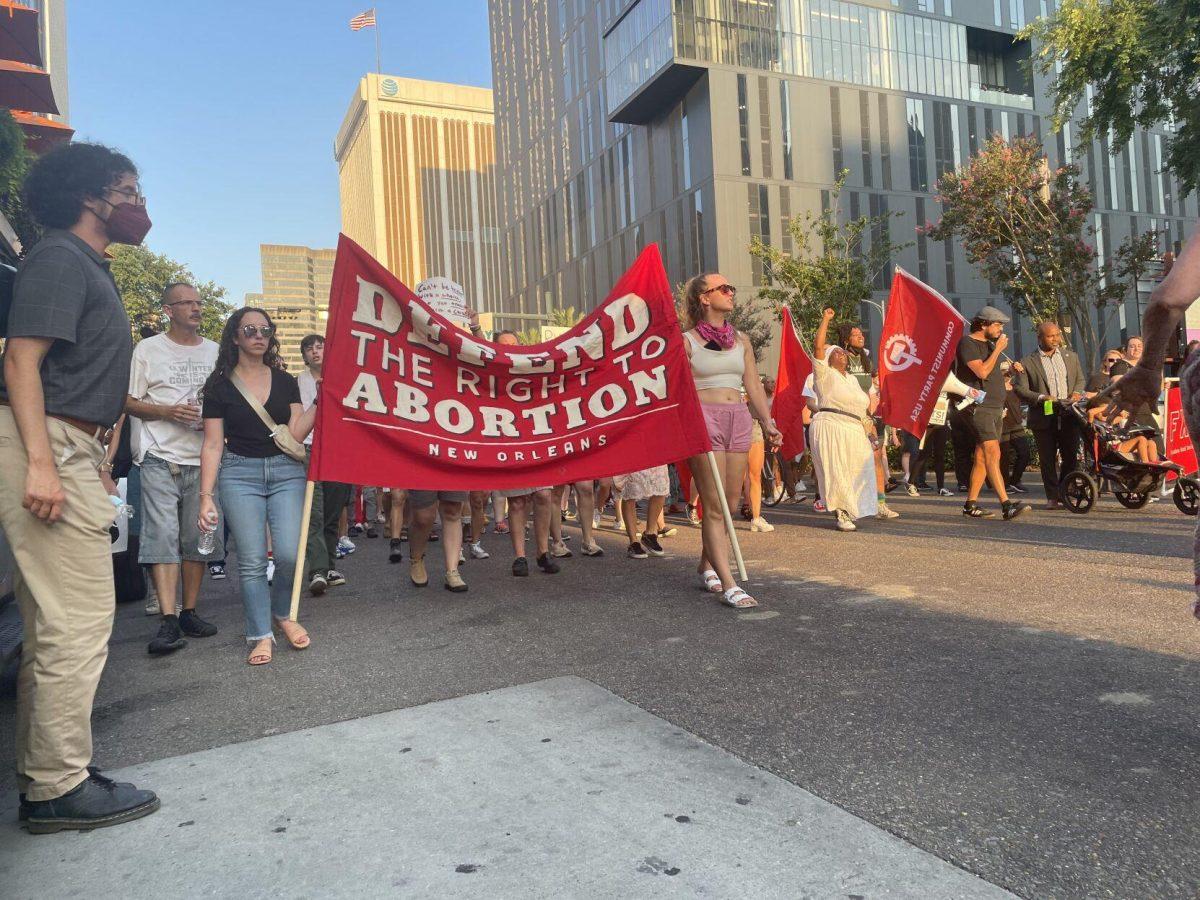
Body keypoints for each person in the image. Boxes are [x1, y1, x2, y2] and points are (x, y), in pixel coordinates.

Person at [0, 141, 160, 831]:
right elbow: (20, 362)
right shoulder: (59, 258)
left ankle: (49, 771)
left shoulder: (85, 264)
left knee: (53, 626)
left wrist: (91, 451)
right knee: (79, 623)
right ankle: (56, 788)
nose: (137, 203)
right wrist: (43, 459)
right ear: (93, 196)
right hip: (49, 444)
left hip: (72, 444)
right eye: (127, 189)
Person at [198, 308, 317, 665]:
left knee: (289, 555)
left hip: (286, 470)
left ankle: (282, 614)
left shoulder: (284, 380)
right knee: (251, 560)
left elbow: (295, 434)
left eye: (265, 329)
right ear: (235, 336)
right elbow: (213, 444)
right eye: (249, 329)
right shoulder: (218, 385)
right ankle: (260, 633)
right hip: (238, 472)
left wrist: (322, 400)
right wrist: (206, 496)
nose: (258, 335)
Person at [125, 283, 221, 655]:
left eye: (199, 302)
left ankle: (189, 612)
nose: (196, 308)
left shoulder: (215, 351)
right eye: (187, 303)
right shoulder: (148, 349)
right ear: (168, 310)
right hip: (158, 455)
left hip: (204, 456)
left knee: (197, 537)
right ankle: (168, 618)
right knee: (163, 534)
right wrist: (167, 412)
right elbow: (129, 401)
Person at [681, 272, 781, 608]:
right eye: (723, 288)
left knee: (733, 501)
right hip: (703, 418)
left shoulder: (742, 339)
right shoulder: (687, 341)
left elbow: (752, 384)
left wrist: (767, 422)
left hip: (738, 417)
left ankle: (706, 564)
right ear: (705, 298)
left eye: (731, 288)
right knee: (714, 505)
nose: (730, 292)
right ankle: (729, 583)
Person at [953, 306, 1032, 520]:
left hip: (995, 406)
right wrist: (997, 349)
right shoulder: (968, 343)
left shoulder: (988, 344)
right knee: (992, 453)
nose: (1001, 328)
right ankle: (1006, 505)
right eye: (997, 324)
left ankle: (971, 504)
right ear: (983, 324)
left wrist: (1009, 370)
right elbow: (981, 371)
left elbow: (992, 373)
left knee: (981, 456)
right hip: (978, 407)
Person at [810, 308, 878, 531]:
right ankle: (841, 512)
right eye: (838, 352)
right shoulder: (824, 374)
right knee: (836, 468)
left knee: (860, 467)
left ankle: (853, 506)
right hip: (831, 424)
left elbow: (861, 407)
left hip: (854, 428)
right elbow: (818, 347)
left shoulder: (851, 379)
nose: (843, 355)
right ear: (830, 359)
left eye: (843, 353)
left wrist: (870, 427)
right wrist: (826, 319)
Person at [296, 334, 349, 595]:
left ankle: (328, 565)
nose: (315, 352)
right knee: (313, 510)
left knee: (333, 511)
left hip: (339, 448)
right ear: (304, 355)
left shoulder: (344, 378)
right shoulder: (297, 382)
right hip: (308, 447)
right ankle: (316, 570)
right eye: (309, 348)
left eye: (320, 347)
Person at [1014, 322, 1085, 509]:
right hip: (1044, 415)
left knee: (1070, 456)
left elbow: (1080, 379)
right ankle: (1052, 497)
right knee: (1048, 459)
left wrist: (1077, 393)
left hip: (1069, 413)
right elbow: (1020, 389)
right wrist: (1042, 397)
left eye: (1057, 335)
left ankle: (1065, 491)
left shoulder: (1071, 357)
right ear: (1040, 338)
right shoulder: (1027, 362)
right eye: (1050, 336)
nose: (1055, 339)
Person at [837, 322, 901, 517]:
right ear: (846, 339)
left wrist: (870, 415)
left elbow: (871, 390)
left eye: (861, 333)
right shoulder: (839, 358)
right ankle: (846, 506)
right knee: (849, 463)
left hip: (867, 418)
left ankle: (880, 504)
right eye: (855, 335)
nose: (861, 336)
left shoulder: (866, 359)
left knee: (875, 459)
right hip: (847, 418)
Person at [406, 490, 469, 591]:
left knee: (453, 510)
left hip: (453, 473)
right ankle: (416, 559)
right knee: (424, 516)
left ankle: (452, 571)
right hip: (423, 473)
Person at [743, 377, 776, 531]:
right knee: (728, 475)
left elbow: (760, 407)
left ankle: (756, 517)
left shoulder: (753, 380)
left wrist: (769, 427)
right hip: (725, 421)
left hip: (752, 424)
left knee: (754, 474)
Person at [615, 466, 669, 558]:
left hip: (655, 453)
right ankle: (633, 541)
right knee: (630, 490)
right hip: (630, 455)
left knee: (661, 487)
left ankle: (650, 534)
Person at [1000, 366, 1032, 496]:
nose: (1007, 374)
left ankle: (1015, 480)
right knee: (1004, 457)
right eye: (1004, 371)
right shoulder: (997, 389)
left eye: (1008, 371)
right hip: (1002, 425)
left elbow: (1027, 389)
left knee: (1024, 453)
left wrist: (1020, 371)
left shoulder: (1016, 388)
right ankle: (1005, 484)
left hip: (1016, 425)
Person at [913, 394, 954, 496]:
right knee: (924, 454)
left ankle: (941, 487)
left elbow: (959, 394)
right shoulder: (930, 381)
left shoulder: (949, 381)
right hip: (929, 423)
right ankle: (911, 483)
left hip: (942, 421)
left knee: (939, 455)